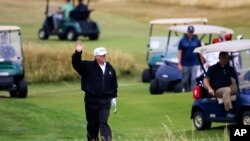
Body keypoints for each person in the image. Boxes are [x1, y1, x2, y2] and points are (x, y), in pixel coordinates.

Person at [72, 40, 118, 141]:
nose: (104, 57)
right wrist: (78, 52)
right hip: (91, 100)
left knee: (103, 122)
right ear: (96, 56)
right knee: (92, 125)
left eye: (105, 55)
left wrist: (114, 97)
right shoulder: (88, 66)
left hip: (105, 101)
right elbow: (76, 64)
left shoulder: (110, 68)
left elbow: (114, 83)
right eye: (102, 55)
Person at [203, 52, 238, 118]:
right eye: (224, 58)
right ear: (219, 58)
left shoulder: (229, 68)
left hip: (229, 87)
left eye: (226, 58)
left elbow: (237, 77)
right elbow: (205, 80)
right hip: (217, 90)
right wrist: (210, 88)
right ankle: (228, 112)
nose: (225, 59)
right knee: (226, 90)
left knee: (242, 85)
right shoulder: (213, 68)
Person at [177, 25, 203, 92]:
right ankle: (186, 90)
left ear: (193, 32)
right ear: (187, 32)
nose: (190, 33)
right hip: (185, 63)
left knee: (193, 79)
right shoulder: (182, 41)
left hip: (195, 62)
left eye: (191, 32)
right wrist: (179, 63)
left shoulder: (197, 41)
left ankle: (192, 92)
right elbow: (180, 52)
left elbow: (200, 52)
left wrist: (201, 62)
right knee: (184, 80)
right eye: (189, 32)